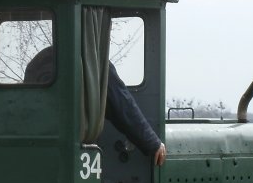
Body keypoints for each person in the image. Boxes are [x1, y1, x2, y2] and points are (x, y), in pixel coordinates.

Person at [24, 47, 167, 166]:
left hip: (35, 152)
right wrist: (152, 143)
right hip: (74, 157)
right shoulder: (93, 63)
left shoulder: (39, 62)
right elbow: (122, 104)